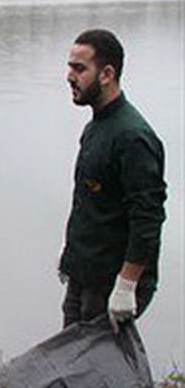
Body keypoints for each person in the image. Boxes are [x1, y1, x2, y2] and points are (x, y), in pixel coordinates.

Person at [59, 29, 166, 330]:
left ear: (107, 74)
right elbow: (92, 205)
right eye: (69, 67)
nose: (69, 76)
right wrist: (71, 253)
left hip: (110, 282)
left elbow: (148, 216)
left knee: (97, 369)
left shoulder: (133, 138)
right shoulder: (96, 128)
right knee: (71, 362)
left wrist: (127, 285)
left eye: (79, 69)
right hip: (84, 273)